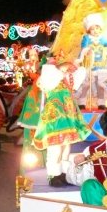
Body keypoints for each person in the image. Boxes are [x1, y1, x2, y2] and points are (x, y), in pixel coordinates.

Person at [32, 57, 91, 186]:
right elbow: (49, 72)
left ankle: (64, 173)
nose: (70, 70)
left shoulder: (67, 79)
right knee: (55, 147)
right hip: (55, 116)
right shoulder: (49, 77)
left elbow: (81, 73)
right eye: (68, 67)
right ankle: (53, 174)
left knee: (66, 146)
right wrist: (59, 66)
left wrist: (77, 62)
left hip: (68, 114)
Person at [75, 13, 107, 110]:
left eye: (97, 28)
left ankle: (101, 103)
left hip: (102, 66)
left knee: (100, 85)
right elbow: (84, 47)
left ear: (100, 29)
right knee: (86, 85)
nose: (95, 31)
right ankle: (82, 102)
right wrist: (86, 50)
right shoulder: (86, 38)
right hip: (89, 65)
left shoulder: (105, 38)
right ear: (89, 30)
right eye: (92, 29)